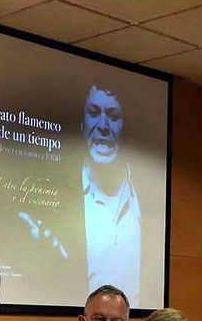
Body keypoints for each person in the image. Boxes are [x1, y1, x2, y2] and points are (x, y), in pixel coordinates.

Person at [10, 84, 144, 305]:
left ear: (125, 128)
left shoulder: (149, 198)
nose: (103, 126)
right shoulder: (52, 199)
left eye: (113, 115)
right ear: (82, 125)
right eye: (94, 113)